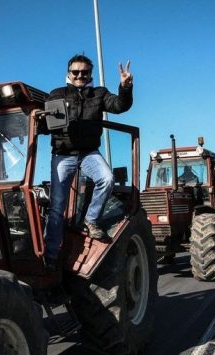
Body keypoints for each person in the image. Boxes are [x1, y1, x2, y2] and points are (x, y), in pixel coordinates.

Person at [42, 54, 133, 271]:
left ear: (90, 74)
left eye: (85, 72)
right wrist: (42, 120)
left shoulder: (99, 93)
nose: (80, 75)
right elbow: (46, 124)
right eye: (76, 72)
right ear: (69, 73)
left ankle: (91, 220)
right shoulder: (57, 94)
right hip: (63, 154)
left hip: (89, 152)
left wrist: (125, 87)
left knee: (107, 178)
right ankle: (50, 256)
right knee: (57, 207)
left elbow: (119, 105)